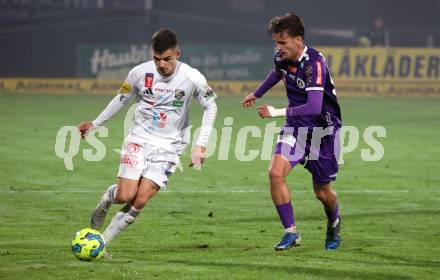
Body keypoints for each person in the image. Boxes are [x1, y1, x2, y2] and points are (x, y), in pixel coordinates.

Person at [77, 28, 217, 250]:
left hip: (170, 147)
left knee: (140, 200)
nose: (162, 64)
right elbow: (121, 99)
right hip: (139, 140)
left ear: (178, 54)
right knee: (125, 196)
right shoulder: (139, 73)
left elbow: (211, 107)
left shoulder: (192, 78)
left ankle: (100, 244)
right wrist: (95, 124)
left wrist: (200, 145)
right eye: (157, 58)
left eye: (167, 59)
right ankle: (107, 198)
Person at [242, 13, 342, 251]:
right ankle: (291, 233)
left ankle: (334, 222)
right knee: (276, 173)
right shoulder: (282, 58)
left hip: (323, 133)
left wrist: (276, 112)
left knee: (322, 192)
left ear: (298, 40)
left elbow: (315, 106)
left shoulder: (314, 63)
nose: (278, 48)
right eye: (276, 42)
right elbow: (277, 73)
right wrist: (257, 93)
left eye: (283, 42)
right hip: (296, 128)